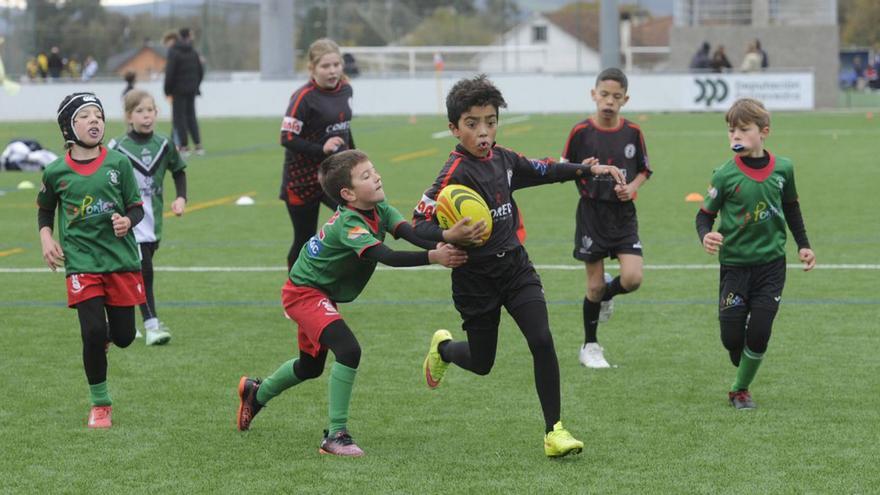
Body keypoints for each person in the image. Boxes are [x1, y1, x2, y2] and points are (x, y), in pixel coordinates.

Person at [413, 74, 625, 458]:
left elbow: (543, 170)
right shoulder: (451, 175)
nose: (483, 132)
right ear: (453, 128)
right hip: (475, 280)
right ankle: (444, 350)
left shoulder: (504, 158)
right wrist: (448, 237)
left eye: (490, 122)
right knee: (482, 362)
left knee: (542, 340)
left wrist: (587, 169)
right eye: (472, 124)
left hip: (515, 268)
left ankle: (554, 432)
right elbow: (416, 224)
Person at [236, 149, 468, 457]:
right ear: (348, 193)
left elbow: (408, 232)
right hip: (303, 293)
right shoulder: (349, 224)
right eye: (366, 175)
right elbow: (386, 256)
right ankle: (335, 436)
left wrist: (443, 239)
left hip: (321, 293)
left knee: (310, 367)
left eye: (374, 170)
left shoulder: (379, 207)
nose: (377, 176)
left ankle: (256, 393)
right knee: (348, 349)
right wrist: (435, 256)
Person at [695, 98, 816, 410]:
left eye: (743, 130)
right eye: (731, 130)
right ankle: (742, 355)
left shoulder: (784, 169)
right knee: (732, 340)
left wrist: (803, 244)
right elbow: (704, 215)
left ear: (764, 132)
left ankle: (740, 389)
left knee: (760, 333)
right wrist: (705, 235)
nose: (735, 135)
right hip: (735, 265)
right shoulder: (723, 175)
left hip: (771, 266)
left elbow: (792, 209)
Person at [36, 93, 146, 428]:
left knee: (124, 336)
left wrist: (127, 221)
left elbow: (136, 207)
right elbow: (45, 208)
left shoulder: (118, 164)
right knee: (93, 331)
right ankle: (101, 404)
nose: (94, 120)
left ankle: (107, 338)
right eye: (85, 116)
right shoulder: (55, 171)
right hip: (82, 263)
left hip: (120, 260)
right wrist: (46, 237)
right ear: (69, 126)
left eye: (98, 114)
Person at [561, 68, 652, 369]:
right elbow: (564, 169)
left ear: (625, 99)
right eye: (604, 95)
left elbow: (644, 170)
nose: (609, 101)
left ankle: (606, 294)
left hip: (623, 215)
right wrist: (582, 170)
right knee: (593, 286)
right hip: (591, 213)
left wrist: (633, 188)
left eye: (616, 96)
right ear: (593, 95)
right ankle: (590, 345)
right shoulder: (580, 132)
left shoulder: (633, 132)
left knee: (633, 278)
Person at [108, 89, 187, 346]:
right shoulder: (117, 147)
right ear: (129, 117)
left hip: (154, 222)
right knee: (144, 272)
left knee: (132, 272)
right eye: (140, 111)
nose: (146, 116)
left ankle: (120, 322)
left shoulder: (164, 144)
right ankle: (151, 325)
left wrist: (181, 197)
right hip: (130, 220)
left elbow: (178, 170)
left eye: (150, 110)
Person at [279, 38, 355, 270]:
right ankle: (294, 293)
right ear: (312, 68)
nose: (332, 71)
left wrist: (356, 160)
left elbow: (345, 129)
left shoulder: (346, 89)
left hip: (333, 177)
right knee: (304, 239)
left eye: (336, 65)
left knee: (356, 221)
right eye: (325, 66)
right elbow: (287, 138)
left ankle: (335, 278)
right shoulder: (303, 97)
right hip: (302, 181)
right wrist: (321, 149)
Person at [163, 27, 204, 156]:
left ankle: (184, 147)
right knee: (191, 116)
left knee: (179, 118)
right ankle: (198, 146)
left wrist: (167, 90)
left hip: (178, 90)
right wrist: (196, 85)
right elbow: (200, 71)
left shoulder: (173, 52)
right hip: (191, 89)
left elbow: (169, 73)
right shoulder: (193, 51)